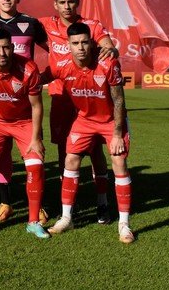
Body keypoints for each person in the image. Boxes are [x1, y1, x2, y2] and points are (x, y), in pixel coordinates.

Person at [46, 23, 135, 244]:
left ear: (91, 43)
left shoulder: (107, 63)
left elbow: (118, 100)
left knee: (119, 163)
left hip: (110, 122)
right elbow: (37, 79)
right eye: (75, 43)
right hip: (84, 120)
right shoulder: (62, 66)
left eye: (85, 42)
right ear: (68, 45)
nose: (81, 47)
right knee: (71, 160)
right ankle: (67, 218)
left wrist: (116, 134)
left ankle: (124, 224)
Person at [39, 0, 118, 223]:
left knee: (96, 151)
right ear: (55, 5)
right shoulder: (45, 25)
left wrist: (110, 49)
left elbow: (106, 45)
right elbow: (13, 22)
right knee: (66, 151)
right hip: (61, 97)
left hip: (89, 99)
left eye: (71, 2)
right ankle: (69, 205)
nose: (67, 6)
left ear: (77, 2)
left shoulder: (90, 26)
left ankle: (102, 201)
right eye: (62, 2)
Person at [0, 0, 48, 224]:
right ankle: (5, 202)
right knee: (1, 159)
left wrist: (46, 76)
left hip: (25, 98)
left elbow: (54, 50)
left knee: (34, 155)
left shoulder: (31, 23)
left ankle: (37, 207)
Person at [0, 29, 49, 239]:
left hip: (24, 123)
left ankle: (33, 222)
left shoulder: (28, 69)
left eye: (6, 47)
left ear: (13, 47)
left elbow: (37, 106)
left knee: (36, 167)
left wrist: (36, 138)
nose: (2, 52)